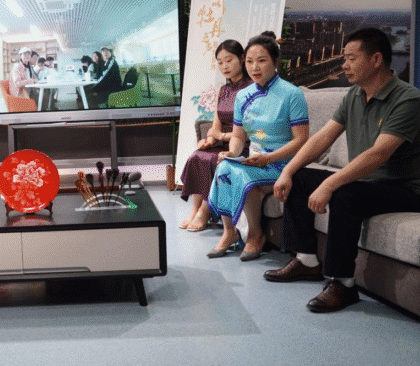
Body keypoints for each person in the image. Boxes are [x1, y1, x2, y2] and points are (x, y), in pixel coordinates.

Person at [264, 28, 420, 313]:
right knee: (300, 178)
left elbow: (379, 154)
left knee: (344, 194)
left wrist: (329, 184)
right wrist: (288, 171)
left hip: (404, 188)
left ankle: (343, 283)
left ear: (376, 59)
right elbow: (322, 138)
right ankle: (307, 260)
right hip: (367, 182)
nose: (344, 64)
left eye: (350, 58)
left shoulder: (407, 99)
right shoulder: (354, 96)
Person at [206, 32, 309, 261]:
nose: (254, 67)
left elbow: (301, 140)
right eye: (250, 61)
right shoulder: (243, 96)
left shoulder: (292, 94)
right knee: (224, 167)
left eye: (262, 60)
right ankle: (229, 232)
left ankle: (255, 234)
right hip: (256, 161)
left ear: (275, 61)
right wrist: (231, 152)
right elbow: (238, 136)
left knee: (245, 176)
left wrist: (269, 159)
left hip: (283, 163)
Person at [179, 39, 252, 231]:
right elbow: (216, 125)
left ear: (242, 59)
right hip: (222, 141)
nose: (224, 66)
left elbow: (248, 132)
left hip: (243, 146)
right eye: (220, 62)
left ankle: (205, 212)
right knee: (197, 156)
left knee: (214, 160)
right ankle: (194, 210)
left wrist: (219, 136)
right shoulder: (223, 90)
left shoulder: (251, 89)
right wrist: (208, 141)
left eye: (229, 60)